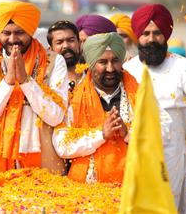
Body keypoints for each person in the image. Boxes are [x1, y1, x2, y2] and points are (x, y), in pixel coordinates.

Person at [123, 3, 186, 214]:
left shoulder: (182, 67)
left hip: (170, 158)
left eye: (157, 33)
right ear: (138, 36)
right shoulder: (127, 70)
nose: (151, 39)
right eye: (145, 33)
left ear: (165, 35)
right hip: (133, 156)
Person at [0, 1, 69, 177]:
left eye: (19, 33)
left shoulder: (54, 62)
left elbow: (55, 116)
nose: (12, 39)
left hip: (43, 163)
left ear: (31, 31)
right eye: (6, 33)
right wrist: (8, 82)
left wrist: (26, 81)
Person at [53, 32, 138, 183]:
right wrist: (101, 135)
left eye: (115, 61)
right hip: (87, 190)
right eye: (103, 62)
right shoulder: (73, 98)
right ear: (92, 65)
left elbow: (158, 139)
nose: (110, 68)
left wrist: (128, 135)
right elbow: (62, 145)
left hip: (132, 187)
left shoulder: (139, 95)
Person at [47, 20, 82, 87]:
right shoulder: (45, 81)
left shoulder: (93, 77)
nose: (66, 46)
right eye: (59, 42)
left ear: (79, 43)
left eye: (71, 40)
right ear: (50, 49)